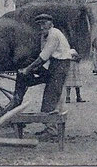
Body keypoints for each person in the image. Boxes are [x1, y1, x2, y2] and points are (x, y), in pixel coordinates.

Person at [18, 13, 72, 141]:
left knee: (50, 98)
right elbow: (43, 55)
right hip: (55, 65)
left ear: (50, 23)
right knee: (53, 96)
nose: (41, 27)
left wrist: (27, 69)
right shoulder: (45, 35)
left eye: (44, 23)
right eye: (39, 24)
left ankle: (52, 132)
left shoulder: (53, 34)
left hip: (60, 65)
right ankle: (51, 128)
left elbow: (43, 57)